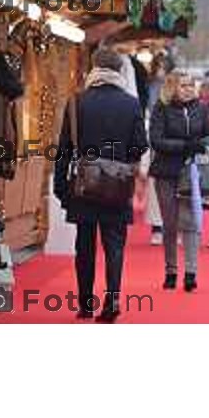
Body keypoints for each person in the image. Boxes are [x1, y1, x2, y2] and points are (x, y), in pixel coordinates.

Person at [54, 48, 148, 323]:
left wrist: (62, 188)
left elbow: (64, 150)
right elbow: (140, 145)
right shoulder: (131, 104)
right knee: (114, 245)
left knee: (84, 245)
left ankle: (85, 304)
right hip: (117, 186)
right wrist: (120, 162)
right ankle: (113, 301)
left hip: (84, 186)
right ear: (119, 71)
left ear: (94, 69)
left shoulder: (77, 102)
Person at [149, 70, 209, 292]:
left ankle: (191, 272)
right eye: (183, 85)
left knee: (192, 221)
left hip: (191, 171)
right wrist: (184, 146)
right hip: (166, 171)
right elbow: (156, 140)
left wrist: (200, 143)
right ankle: (170, 270)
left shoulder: (201, 108)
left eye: (190, 85)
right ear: (172, 87)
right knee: (170, 223)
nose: (188, 89)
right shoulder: (161, 108)